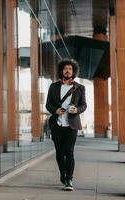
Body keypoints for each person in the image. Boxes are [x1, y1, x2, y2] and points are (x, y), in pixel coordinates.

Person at [45, 58, 87, 191]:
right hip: (57, 125)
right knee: (59, 152)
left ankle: (69, 179)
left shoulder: (80, 88)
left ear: (73, 71)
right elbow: (48, 104)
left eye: (70, 69)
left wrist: (77, 110)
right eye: (65, 69)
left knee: (69, 152)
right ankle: (62, 173)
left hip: (71, 125)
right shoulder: (54, 86)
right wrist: (55, 110)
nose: (67, 71)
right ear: (61, 71)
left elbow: (84, 105)